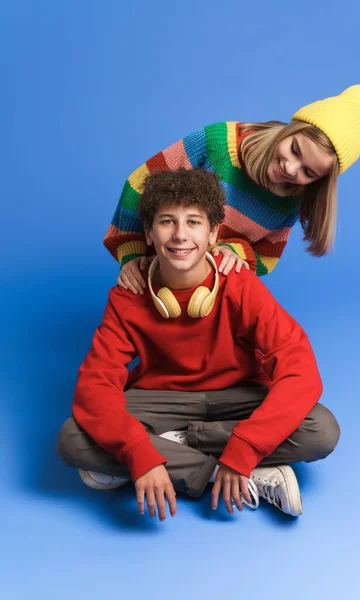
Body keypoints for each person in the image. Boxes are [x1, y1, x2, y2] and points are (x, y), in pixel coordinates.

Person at [57, 169, 340, 521]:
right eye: (166, 222)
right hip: (162, 399)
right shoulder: (127, 297)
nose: (180, 235)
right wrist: (140, 456)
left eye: (193, 222)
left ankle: (177, 449)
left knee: (321, 429)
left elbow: (299, 370)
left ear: (213, 234)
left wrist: (245, 448)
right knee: (73, 438)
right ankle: (244, 475)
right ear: (148, 232)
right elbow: (95, 386)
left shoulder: (240, 284)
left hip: (237, 397)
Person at [104, 84, 360, 295]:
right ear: (291, 129)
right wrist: (131, 255)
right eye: (294, 150)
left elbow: (265, 257)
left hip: (208, 288)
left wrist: (234, 250)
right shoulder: (218, 143)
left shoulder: (291, 198)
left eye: (308, 172)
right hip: (161, 269)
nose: (291, 169)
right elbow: (140, 184)